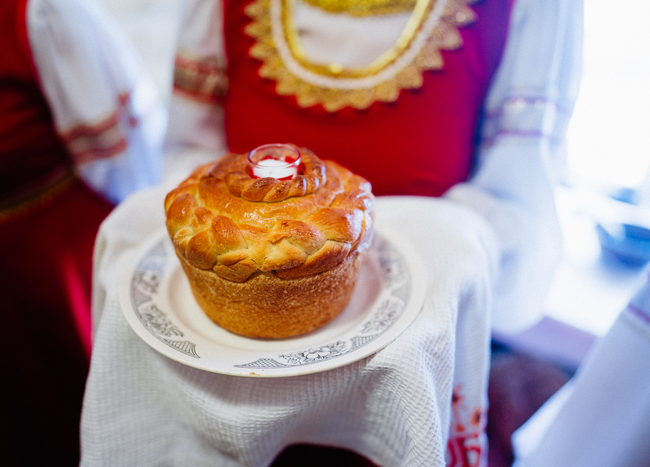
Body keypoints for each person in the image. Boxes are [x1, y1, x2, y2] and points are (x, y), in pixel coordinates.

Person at [162, 0, 581, 463]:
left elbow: (515, 208)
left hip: (410, 360)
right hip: (227, 377)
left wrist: (433, 279)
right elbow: (187, 156)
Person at [0, 0, 165, 464]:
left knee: (68, 404)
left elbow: (124, 156)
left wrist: (139, 245)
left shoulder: (38, 11)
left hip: (48, 271)